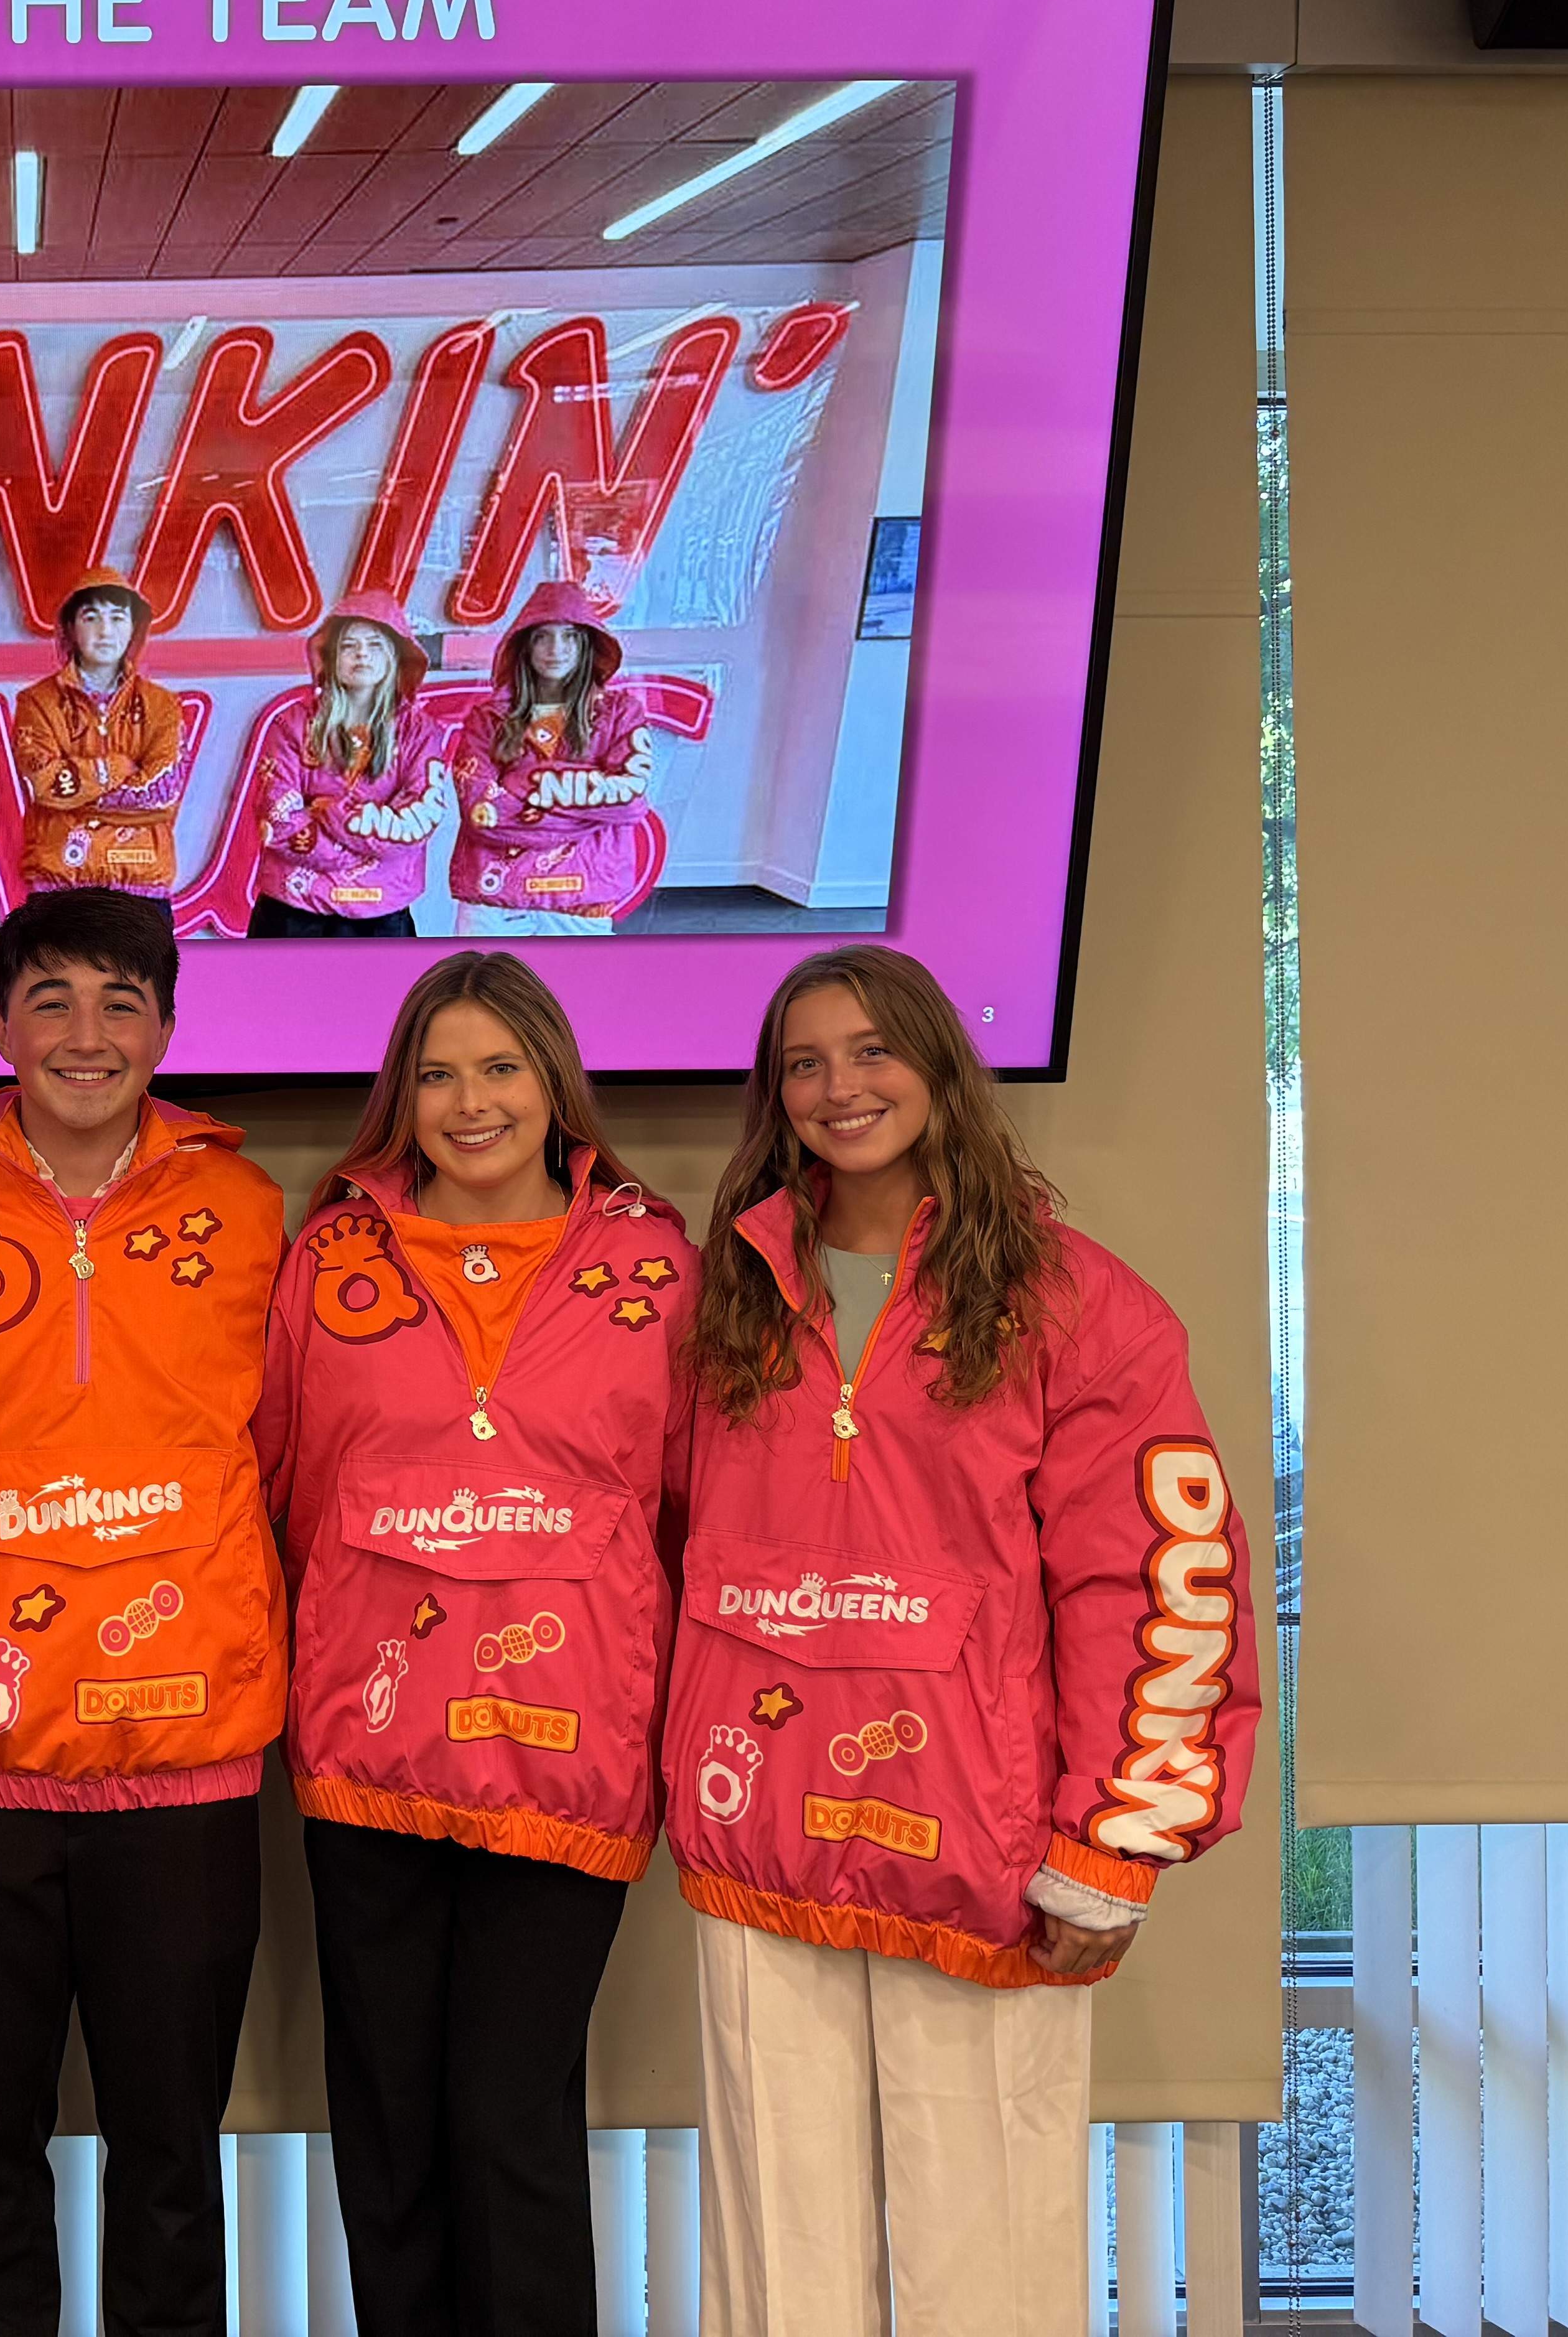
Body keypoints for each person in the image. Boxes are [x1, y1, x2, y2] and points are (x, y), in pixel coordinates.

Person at [666, 946, 1256, 2337]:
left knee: (983, 2254)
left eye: (870, 1050)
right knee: (775, 2253)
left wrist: (1112, 1845)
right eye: (804, 1063)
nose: (839, 1086)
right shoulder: (731, 1291)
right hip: (765, 1842)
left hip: (978, 1846)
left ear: (937, 1060)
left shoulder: (1080, 1305)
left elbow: (1158, 1579)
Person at [0, 887, 289, 2337]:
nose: (86, 1035)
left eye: (120, 1001)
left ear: (167, 1024)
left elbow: (283, 1449)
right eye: (51, 999)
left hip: (189, 1755)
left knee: (172, 2160)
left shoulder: (247, 1211)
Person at [254, 953, 693, 2336]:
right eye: (437, 1072)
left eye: (499, 1067)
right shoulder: (331, 1259)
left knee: (509, 2123)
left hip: (569, 1760)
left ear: (554, 1081)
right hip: (369, 1751)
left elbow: (687, 1500)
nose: (469, 1100)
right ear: (403, 1094)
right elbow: (287, 1479)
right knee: (387, 2129)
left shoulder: (656, 1260)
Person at [447, 579, 663, 935]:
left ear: (586, 645)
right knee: (482, 990)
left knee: (577, 991)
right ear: (525, 646)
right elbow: (482, 813)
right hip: (495, 897)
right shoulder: (487, 718)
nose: (555, 649)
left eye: (569, 637)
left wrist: (518, 786)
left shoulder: (621, 713)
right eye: (542, 637)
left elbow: (628, 800)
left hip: (582, 893)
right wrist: (583, 803)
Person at [250, 593, 452, 937]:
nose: (362, 654)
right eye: (349, 646)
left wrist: (330, 813)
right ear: (330, 658)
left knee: (385, 995)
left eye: (375, 644)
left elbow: (416, 825)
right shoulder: (292, 725)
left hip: (381, 915)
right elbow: (279, 823)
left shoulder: (420, 733)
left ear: (393, 657)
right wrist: (366, 853)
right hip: (293, 912)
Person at [12, 564, 188, 899]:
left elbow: (163, 795)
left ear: (134, 628)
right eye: (91, 617)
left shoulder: (163, 705)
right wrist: (116, 768)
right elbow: (44, 786)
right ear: (70, 628)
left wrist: (78, 797)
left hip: (140, 885)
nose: (105, 631)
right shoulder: (36, 703)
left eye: (118, 618)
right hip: (59, 886)